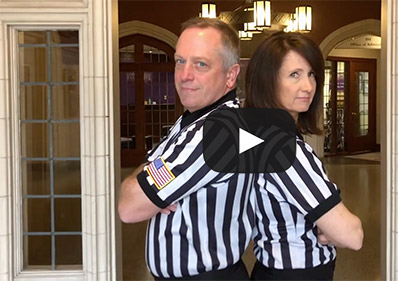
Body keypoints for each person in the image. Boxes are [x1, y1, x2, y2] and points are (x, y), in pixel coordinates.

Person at [118, 18, 254, 280]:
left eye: (200, 64)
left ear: (230, 75)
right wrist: (155, 175)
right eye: (180, 61)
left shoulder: (218, 132)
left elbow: (129, 206)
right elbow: (141, 181)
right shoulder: (192, 119)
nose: (185, 75)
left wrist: (150, 178)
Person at [245, 32, 364, 280]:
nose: (308, 86)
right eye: (294, 75)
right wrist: (331, 225)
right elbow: (352, 235)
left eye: (311, 74)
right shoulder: (282, 149)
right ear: (268, 82)